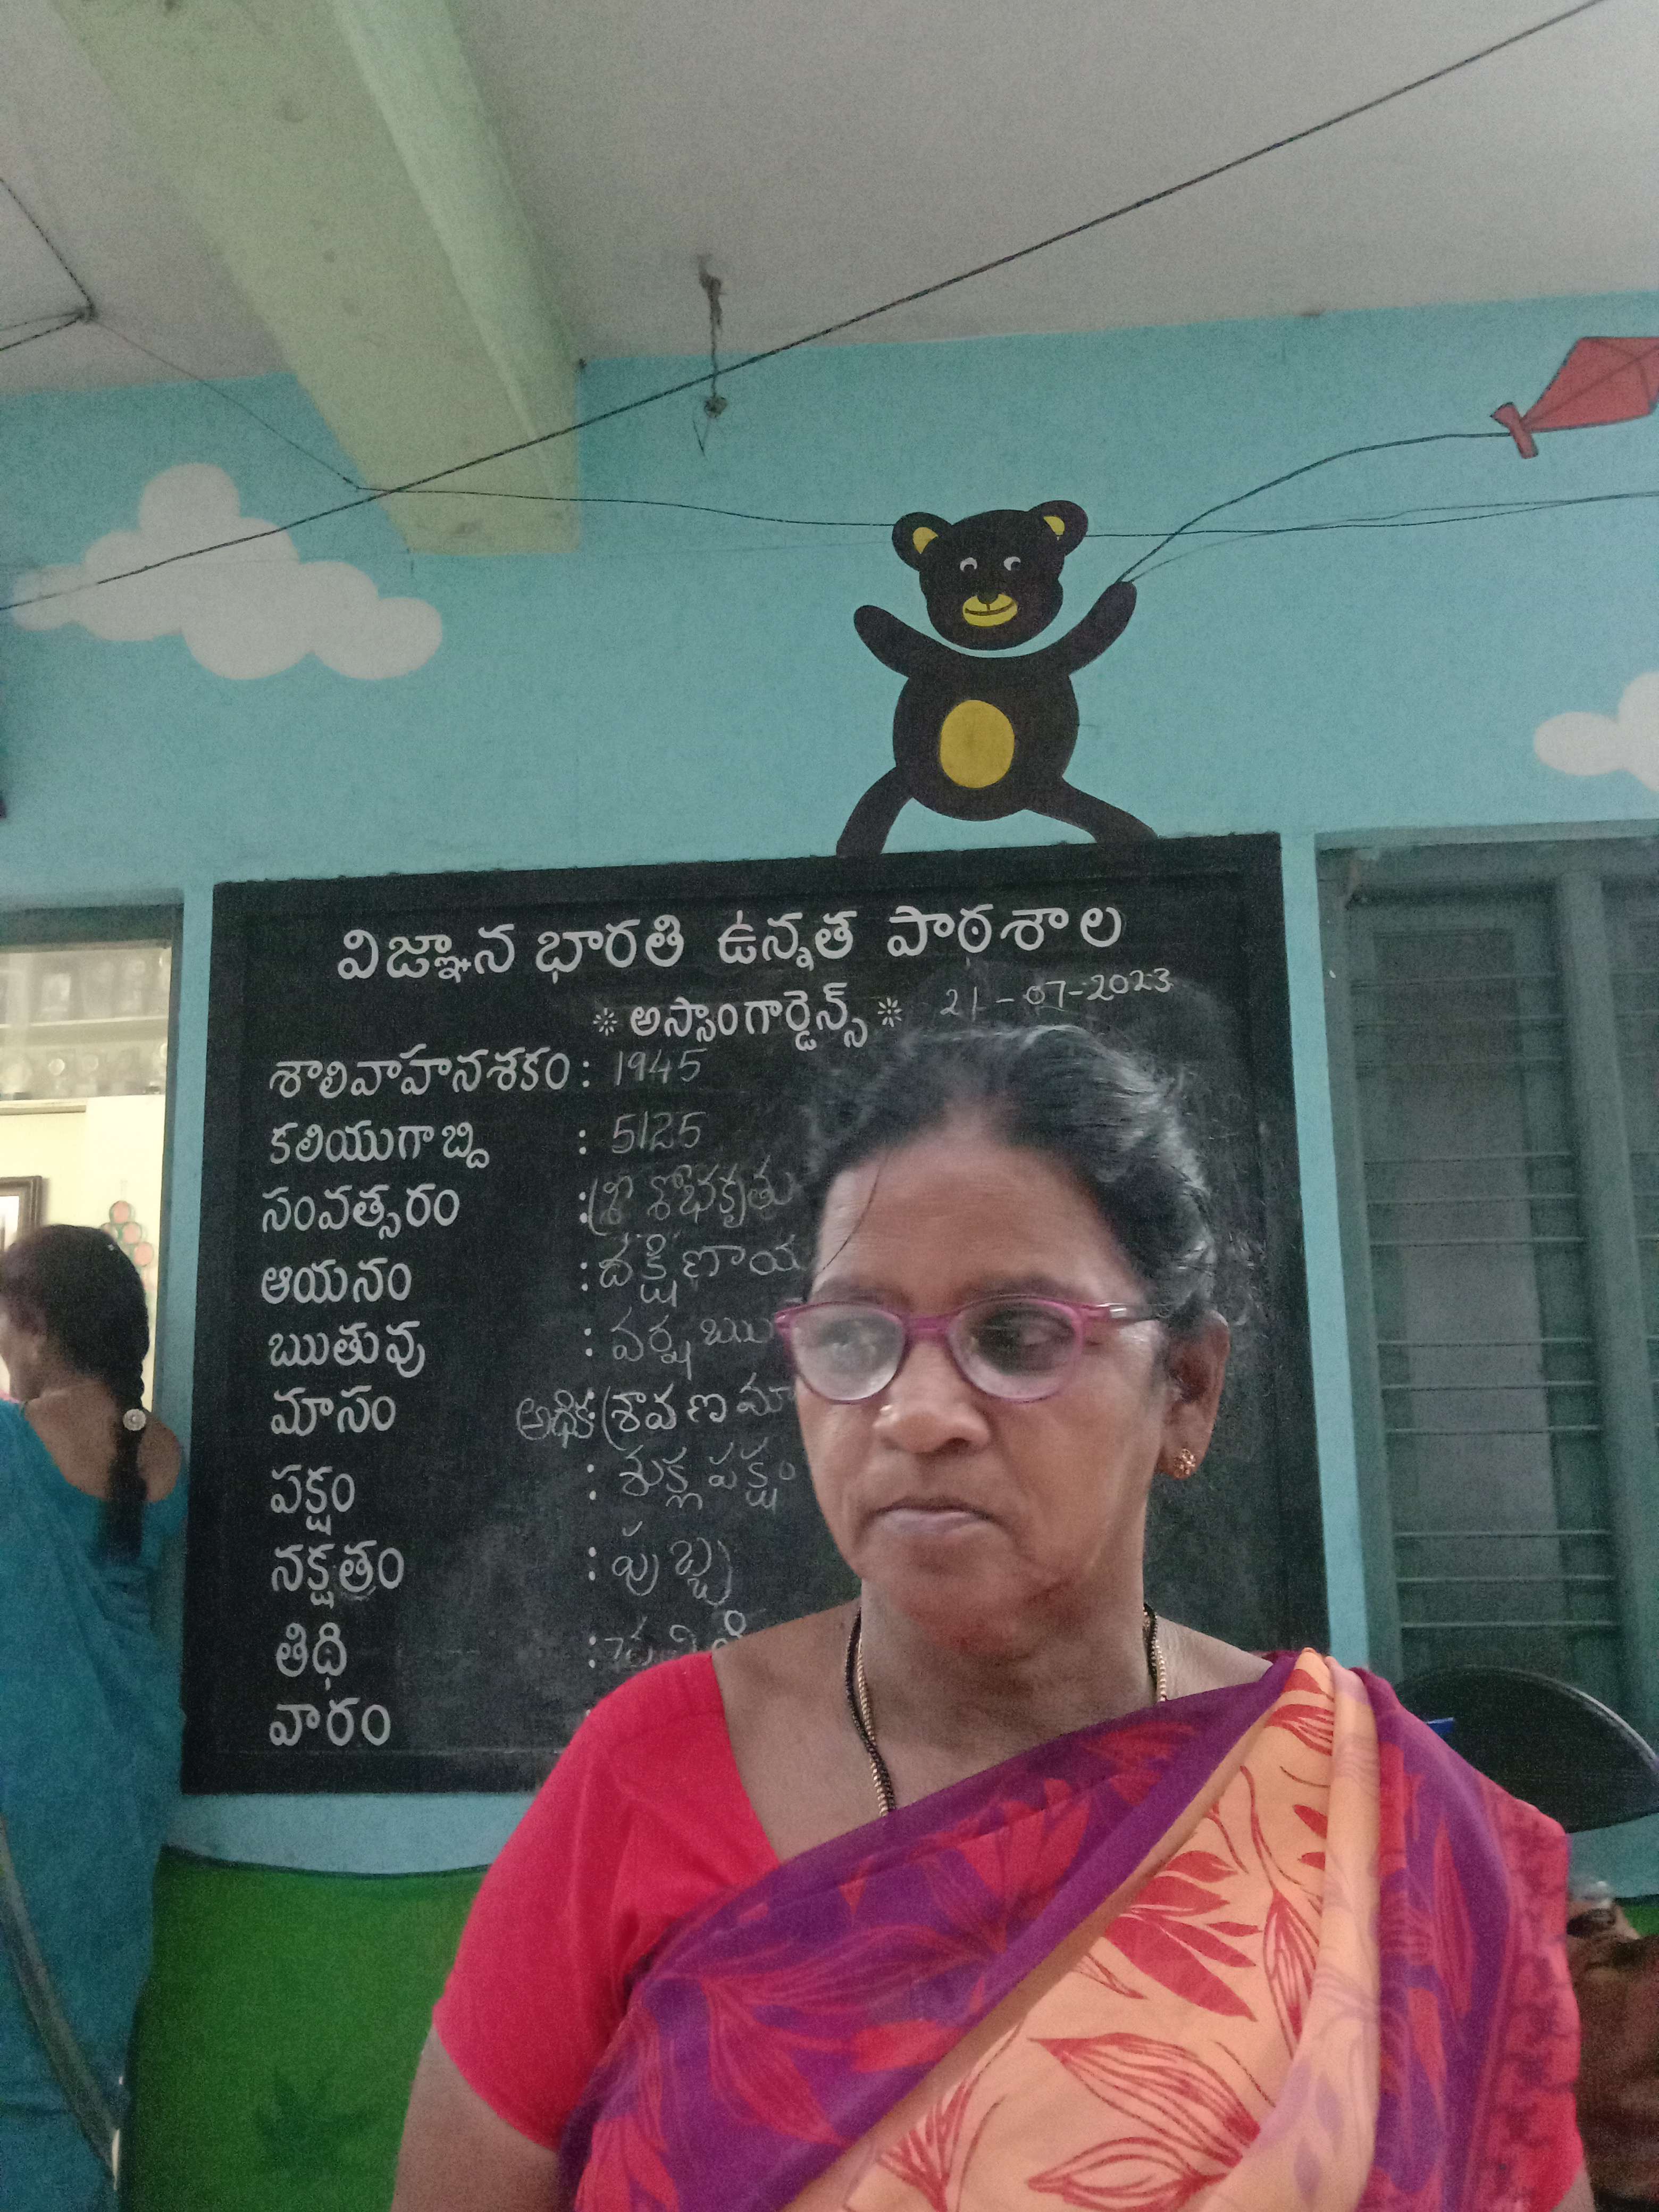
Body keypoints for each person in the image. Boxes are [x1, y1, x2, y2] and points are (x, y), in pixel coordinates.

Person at [395, 1025, 1589, 2211]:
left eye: (1016, 1336)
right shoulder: (648, 1773)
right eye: (854, 1337)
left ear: (1186, 1389)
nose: (918, 1414)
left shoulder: (1374, 1826)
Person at [0, 1225, 185, 2211]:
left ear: (34, 1323)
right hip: (124, 1784)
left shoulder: (8, 1447)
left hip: (29, 1786)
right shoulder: (165, 1452)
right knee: (77, 2065)